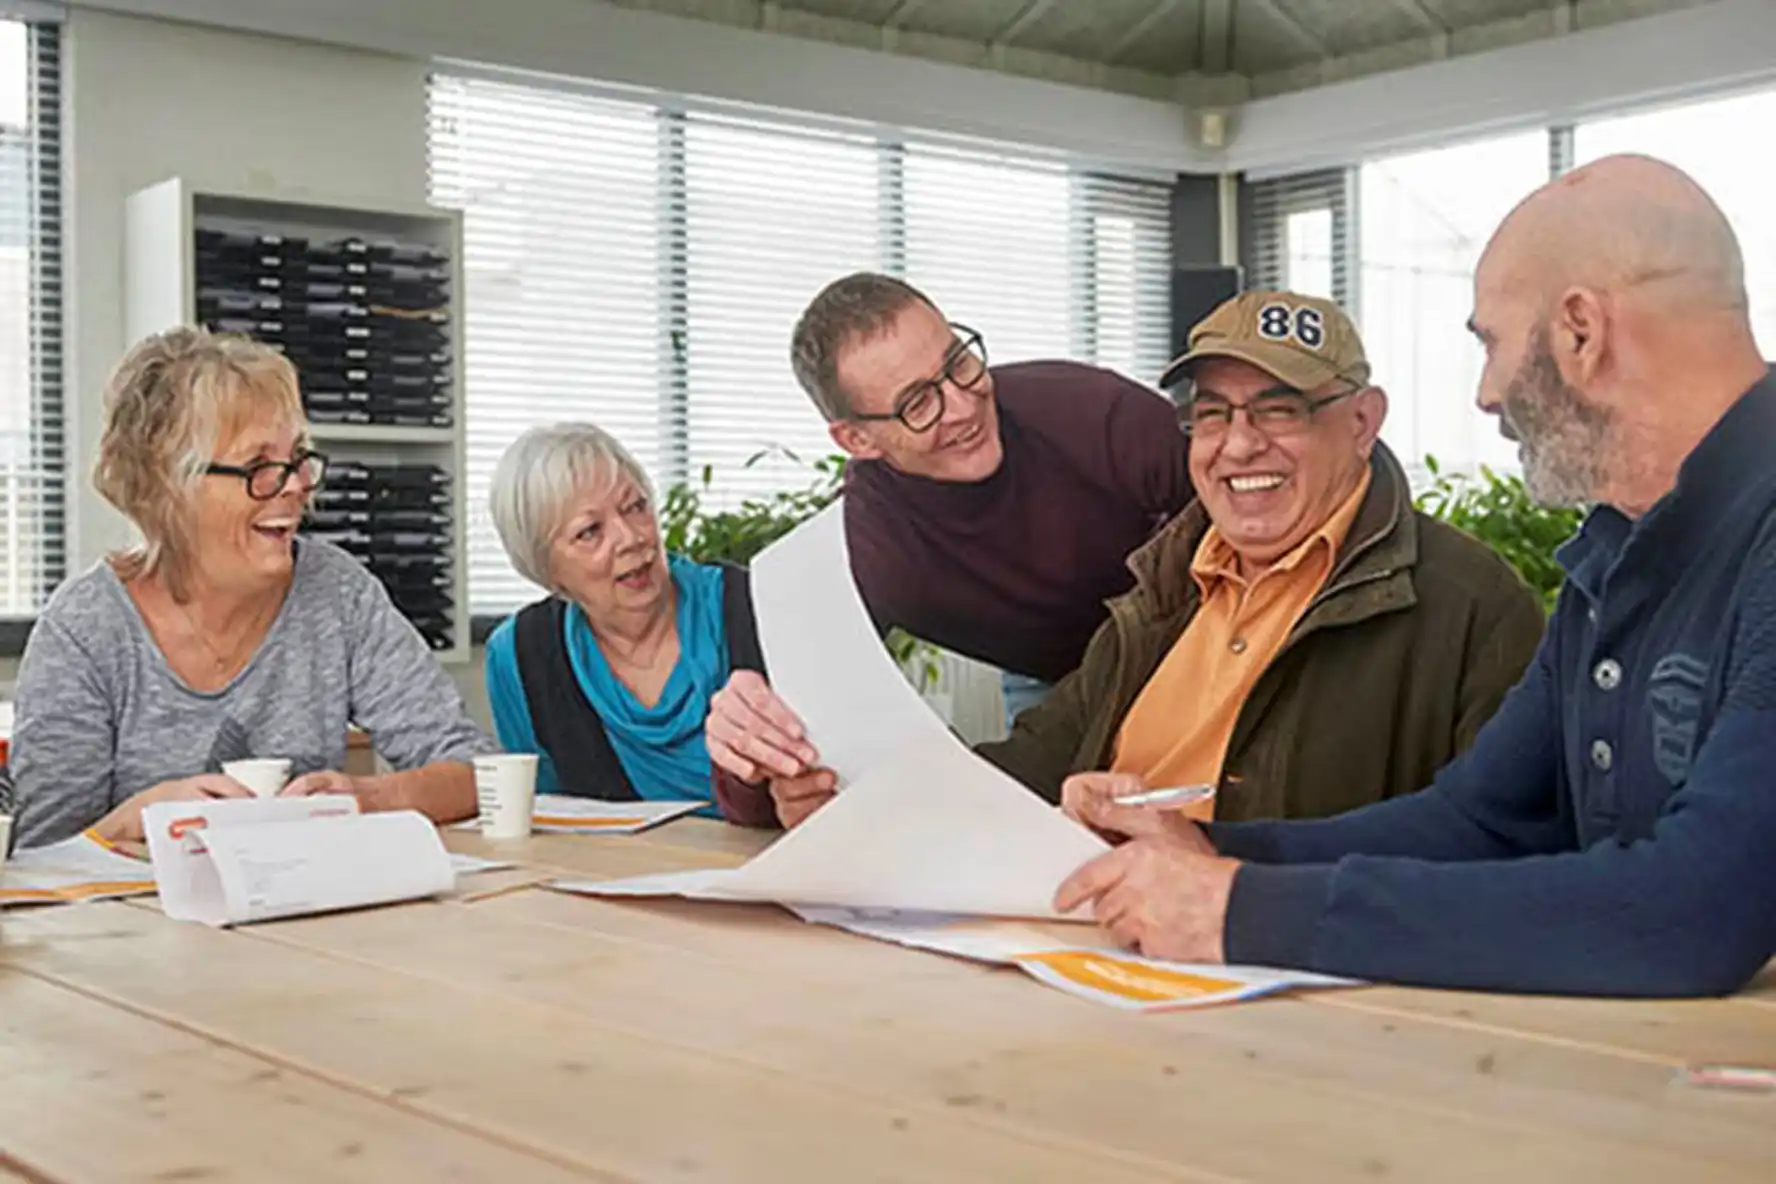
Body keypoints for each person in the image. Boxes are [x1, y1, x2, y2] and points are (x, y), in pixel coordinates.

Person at [1054, 154, 1776, 999]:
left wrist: (1244, 913)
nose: (1485, 392)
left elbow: (1695, 911)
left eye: (1493, 343)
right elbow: (1479, 821)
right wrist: (1211, 851)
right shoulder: (1608, 560)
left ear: (1582, 332)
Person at [746, 291, 1546, 831]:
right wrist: (840, 802)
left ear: (1363, 423)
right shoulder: (1155, 603)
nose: (1238, 445)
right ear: (859, 440)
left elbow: (1494, 843)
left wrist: (1215, 866)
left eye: (1282, 410)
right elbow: (1023, 766)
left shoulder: (1472, 608)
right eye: (1214, 415)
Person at [9, 327, 491, 848]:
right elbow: (39, 856)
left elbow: (474, 771)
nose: (295, 486)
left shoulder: (337, 592)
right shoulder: (86, 628)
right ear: (170, 483)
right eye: (260, 467)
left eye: (298, 458)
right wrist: (139, 819)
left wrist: (370, 799)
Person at [706, 271, 1193, 774]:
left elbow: (1249, 538)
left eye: (958, 363)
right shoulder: (864, 550)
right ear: (858, 441)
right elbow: (794, 739)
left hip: (1195, 634)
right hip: (1053, 681)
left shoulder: (1095, 412)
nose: (963, 407)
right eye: (917, 403)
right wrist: (748, 743)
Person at [481, 423, 772, 825]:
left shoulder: (754, 606)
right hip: (614, 880)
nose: (631, 537)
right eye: (590, 532)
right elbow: (550, 821)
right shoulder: (519, 656)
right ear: (546, 569)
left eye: (636, 507)